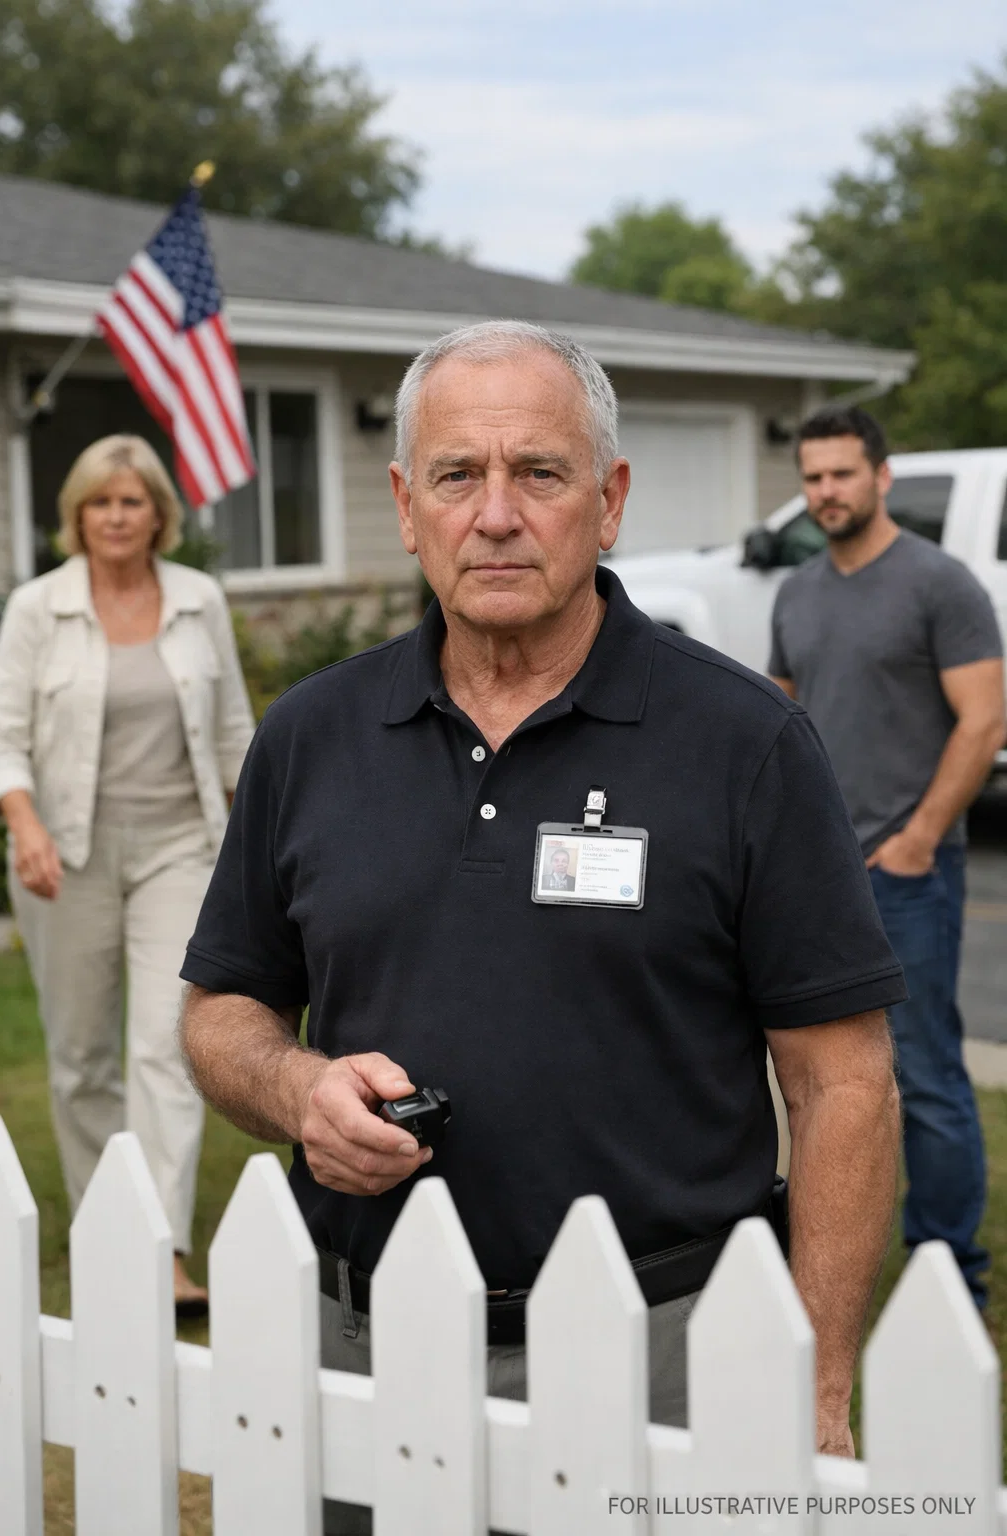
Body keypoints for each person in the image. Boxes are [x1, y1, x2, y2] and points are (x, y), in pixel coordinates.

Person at [180, 321, 904, 1531]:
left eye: (539, 473)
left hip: (662, 1356)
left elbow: (844, 1085)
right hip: (363, 1354)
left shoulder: (745, 745)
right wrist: (296, 1087)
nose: (496, 515)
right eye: (457, 475)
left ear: (607, 501)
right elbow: (222, 1008)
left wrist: (817, 1384)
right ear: (406, 508)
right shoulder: (309, 736)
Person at [0, 434, 255, 1311]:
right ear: (77, 513)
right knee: (81, 1060)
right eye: (100, 502)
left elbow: (234, 734)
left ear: (158, 514)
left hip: (181, 848)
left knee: (168, 1048)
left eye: (131, 501)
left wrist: (263, 839)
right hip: (65, 854)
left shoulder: (198, 600)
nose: (115, 516)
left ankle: (161, 1249)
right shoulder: (39, 608)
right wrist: (23, 822)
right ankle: (110, 1232)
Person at [769, 405, 1006, 1310]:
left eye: (842, 473)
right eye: (813, 477)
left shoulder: (939, 584)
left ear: (881, 476)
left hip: (909, 876)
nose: (826, 491)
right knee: (815, 1071)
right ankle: (809, 1238)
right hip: (815, 875)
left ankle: (951, 1272)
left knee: (927, 1073)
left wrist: (917, 840)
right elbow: (779, 720)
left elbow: (985, 721)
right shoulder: (798, 593)